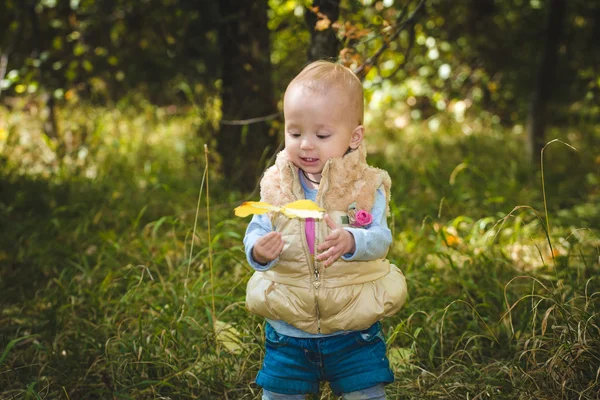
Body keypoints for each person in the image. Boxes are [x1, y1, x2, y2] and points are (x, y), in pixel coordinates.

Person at [243, 60, 407, 400]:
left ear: (354, 136)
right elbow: (256, 227)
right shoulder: (277, 185)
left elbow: (381, 239)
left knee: (367, 394)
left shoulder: (365, 187)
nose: (305, 144)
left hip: (353, 331)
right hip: (288, 331)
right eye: (295, 132)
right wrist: (258, 250)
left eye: (321, 135)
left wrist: (352, 240)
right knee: (278, 395)